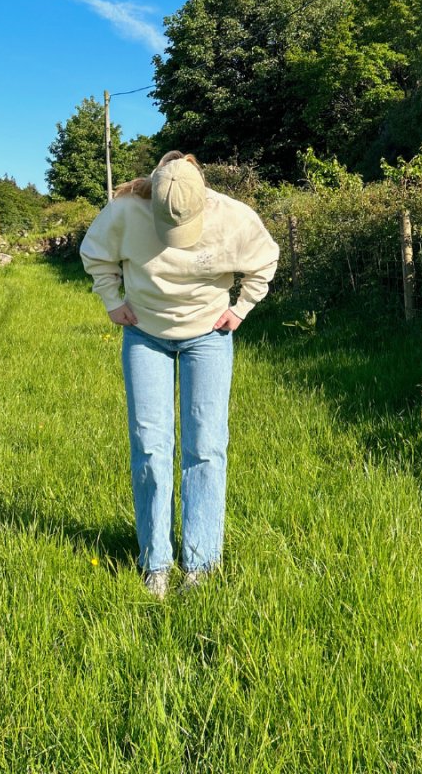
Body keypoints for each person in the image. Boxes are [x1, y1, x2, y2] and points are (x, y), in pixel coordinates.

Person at [80, 151, 280, 598]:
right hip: (145, 334)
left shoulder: (232, 216)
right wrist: (113, 301)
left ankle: (201, 563)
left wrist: (241, 309)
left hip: (207, 337)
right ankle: (156, 562)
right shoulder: (125, 211)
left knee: (206, 446)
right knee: (150, 446)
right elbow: (95, 254)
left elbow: (265, 260)